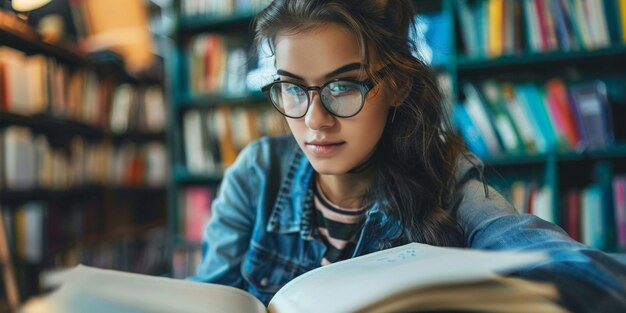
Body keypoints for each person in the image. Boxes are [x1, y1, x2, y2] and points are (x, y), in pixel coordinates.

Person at [192, 0, 626, 311]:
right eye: (292, 88)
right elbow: (209, 298)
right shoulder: (256, 173)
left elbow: (544, 255)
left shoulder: (446, 178)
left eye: (343, 86)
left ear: (396, 85)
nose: (315, 120)